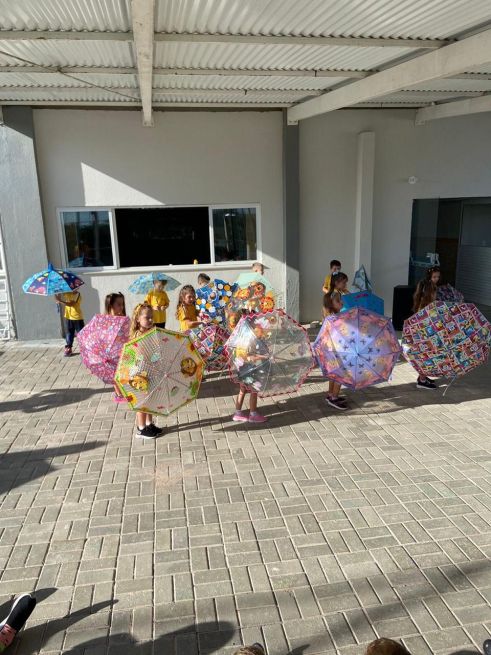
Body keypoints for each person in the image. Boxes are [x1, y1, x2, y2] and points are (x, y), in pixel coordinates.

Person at [129, 303, 164, 439]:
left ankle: (149, 424)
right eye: (147, 317)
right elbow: (139, 354)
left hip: (149, 371)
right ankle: (141, 428)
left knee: (150, 399)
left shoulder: (149, 332)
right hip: (139, 374)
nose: (150, 320)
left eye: (151, 317)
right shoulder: (137, 335)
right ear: (138, 319)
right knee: (142, 401)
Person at [322, 279, 349, 411]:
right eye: (338, 301)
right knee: (340, 375)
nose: (341, 303)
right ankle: (334, 397)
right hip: (336, 351)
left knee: (333, 374)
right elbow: (341, 335)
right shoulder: (335, 319)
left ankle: (330, 394)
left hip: (331, 351)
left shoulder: (330, 317)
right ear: (331, 304)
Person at [411, 276, 438, 390]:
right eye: (434, 292)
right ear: (429, 294)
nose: (435, 295)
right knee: (426, 357)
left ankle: (422, 377)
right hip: (425, 337)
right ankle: (422, 381)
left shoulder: (422, 304)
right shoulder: (425, 309)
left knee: (426, 356)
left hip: (424, 336)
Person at [105, 292, 128, 404]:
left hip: (122, 350)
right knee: (114, 374)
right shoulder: (106, 320)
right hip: (110, 353)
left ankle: (122, 391)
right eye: (118, 304)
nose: (121, 307)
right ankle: (118, 394)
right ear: (111, 305)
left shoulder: (122, 318)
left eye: (122, 304)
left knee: (122, 371)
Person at [55, 290, 84, 357]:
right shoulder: (67, 293)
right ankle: (68, 348)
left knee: (81, 334)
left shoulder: (77, 294)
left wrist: (60, 301)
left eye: (76, 288)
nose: (74, 289)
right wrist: (56, 293)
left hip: (77, 317)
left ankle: (85, 348)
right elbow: (60, 295)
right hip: (68, 317)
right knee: (69, 333)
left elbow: (71, 304)